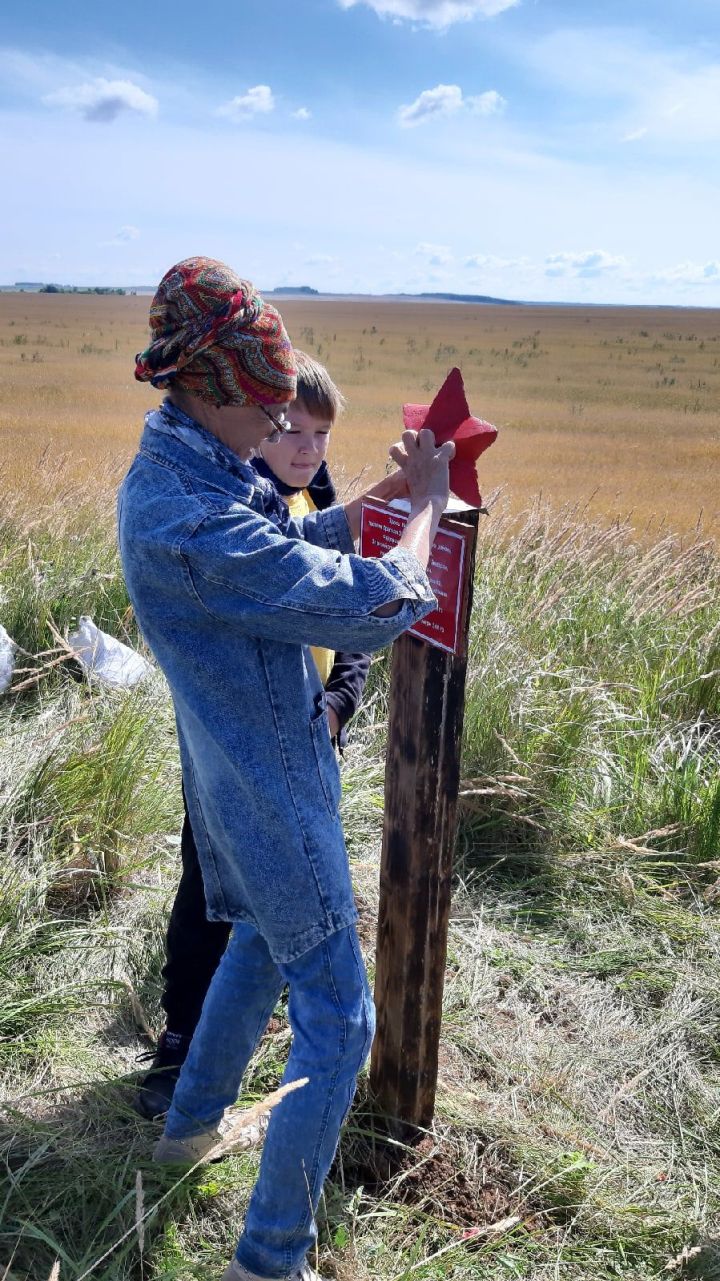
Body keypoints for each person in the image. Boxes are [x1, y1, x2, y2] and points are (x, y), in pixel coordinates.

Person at [118, 256, 454, 1281]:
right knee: (342, 1022)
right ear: (206, 385)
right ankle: (269, 1262)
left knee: (258, 942)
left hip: (230, 773)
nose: (277, 424)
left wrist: (382, 495)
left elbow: (286, 544)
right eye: (263, 404)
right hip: (269, 784)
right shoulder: (190, 520)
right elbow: (373, 604)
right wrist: (429, 509)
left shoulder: (189, 467)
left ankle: (186, 1130)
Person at [135, 351, 371, 1120]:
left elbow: (330, 577)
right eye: (282, 424)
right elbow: (348, 598)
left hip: (300, 738)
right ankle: (182, 1043)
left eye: (316, 433)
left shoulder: (284, 494)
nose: (298, 442)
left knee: (260, 929)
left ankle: (193, 1113)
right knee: (329, 1006)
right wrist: (422, 522)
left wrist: (338, 703)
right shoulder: (215, 508)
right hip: (240, 749)